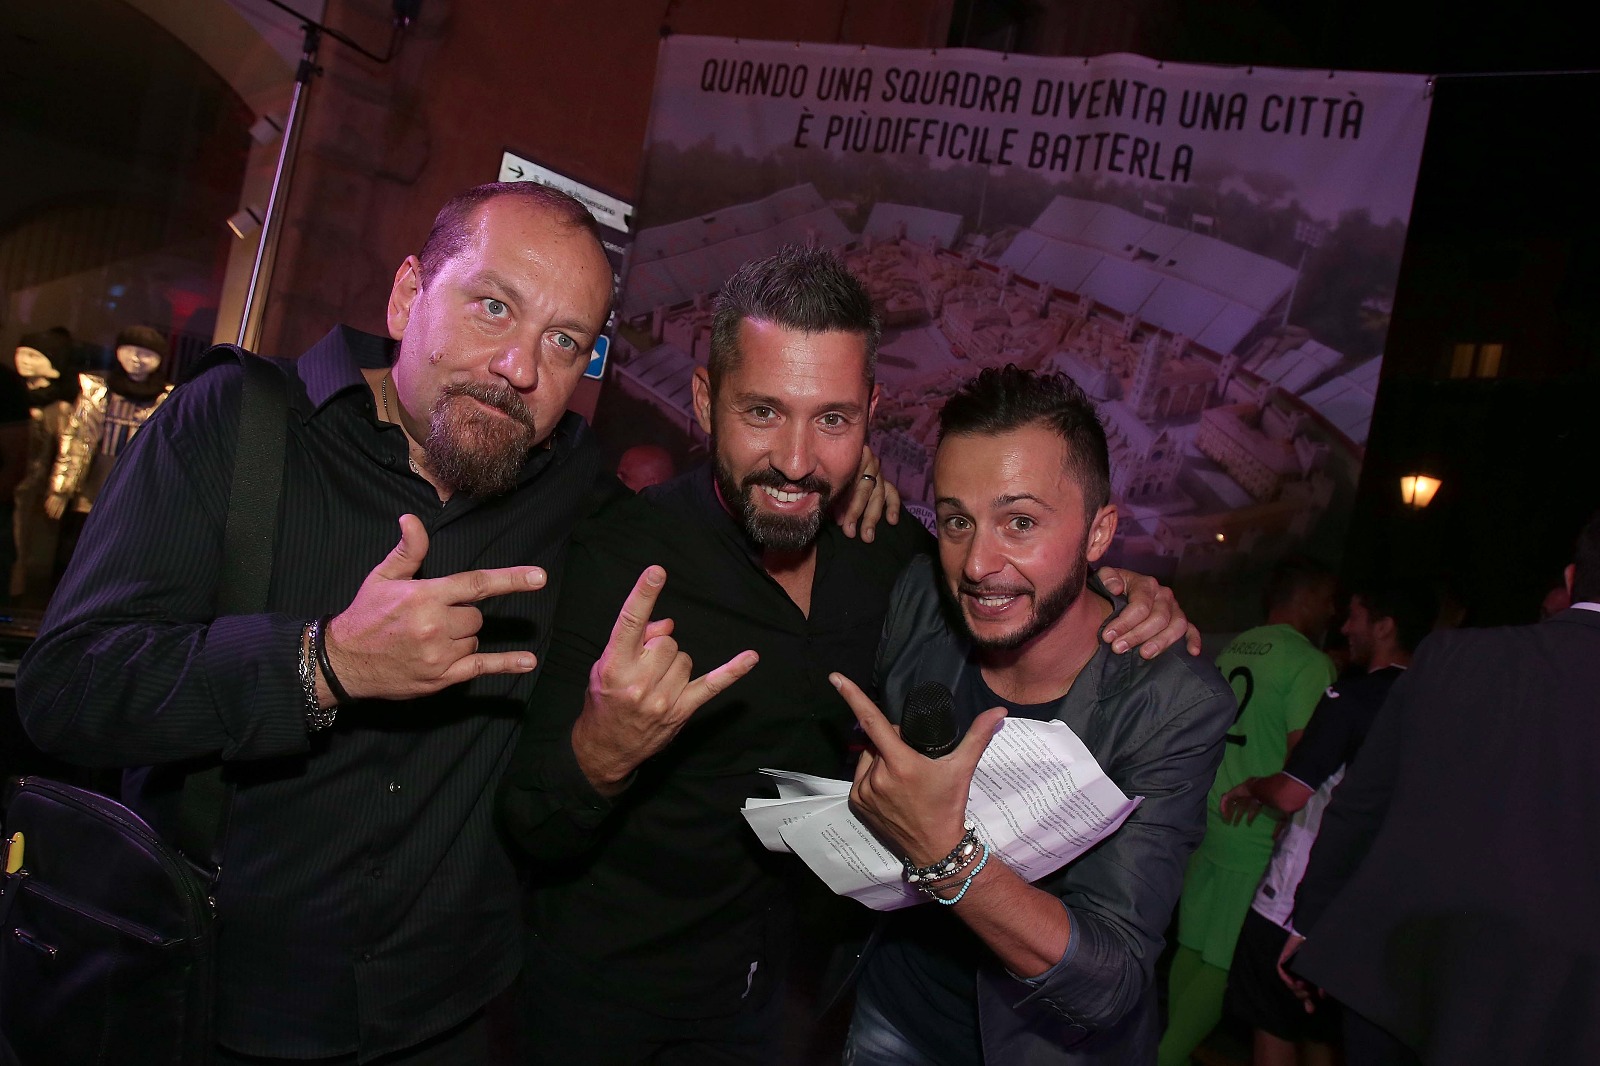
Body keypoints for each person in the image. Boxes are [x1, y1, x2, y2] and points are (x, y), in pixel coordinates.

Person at [496, 253, 1196, 1064]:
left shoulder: (892, 555)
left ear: (871, 415)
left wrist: (1115, 588)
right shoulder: (619, 559)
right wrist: (600, 755)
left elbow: (1005, 575)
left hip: (786, 1009)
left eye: (831, 420)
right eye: (764, 412)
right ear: (705, 400)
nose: (797, 461)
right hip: (606, 1007)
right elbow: (530, 828)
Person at [20, 182, 623, 1063]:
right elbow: (68, 688)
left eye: (564, 341)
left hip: (448, 1016)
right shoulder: (234, 424)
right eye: (494, 306)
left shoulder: (577, 491)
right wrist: (321, 663)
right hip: (214, 1006)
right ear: (409, 295)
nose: (520, 367)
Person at [835, 365, 1235, 1064]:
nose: (977, 563)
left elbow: (1110, 980)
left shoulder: (1172, 705)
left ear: (1099, 532)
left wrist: (946, 855)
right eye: (958, 521)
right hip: (890, 1012)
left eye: (1020, 522)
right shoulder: (921, 596)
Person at [1286, 509, 1600, 1066]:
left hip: (1397, 972)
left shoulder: (1453, 656)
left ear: (1572, 579)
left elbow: (1361, 804)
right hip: (1556, 1012)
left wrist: (1312, 922)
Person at [1217, 584, 1434, 1066]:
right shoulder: (1441, 701)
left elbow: (1291, 793)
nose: (1345, 628)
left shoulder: (1354, 698)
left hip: (1299, 896)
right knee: (1323, 1032)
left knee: (1274, 1023)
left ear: (1385, 626)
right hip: (1372, 905)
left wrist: (1252, 785)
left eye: (1356, 616)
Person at [1159, 556, 1337, 1066]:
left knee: (1192, 947)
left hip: (1212, 817)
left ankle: (1157, 1046)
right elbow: (1306, 763)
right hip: (1257, 830)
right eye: (1329, 600)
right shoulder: (1308, 663)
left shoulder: (1238, 646)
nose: (1334, 612)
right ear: (1306, 598)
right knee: (1223, 961)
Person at [9, 330, 76, 604]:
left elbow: (67, 450)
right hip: (12, 480)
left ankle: (24, 593)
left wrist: (60, 488)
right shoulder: (12, 395)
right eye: (21, 353)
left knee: (32, 542)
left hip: (38, 486)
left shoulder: (60, 408)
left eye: (34, 355)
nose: (24, 360)